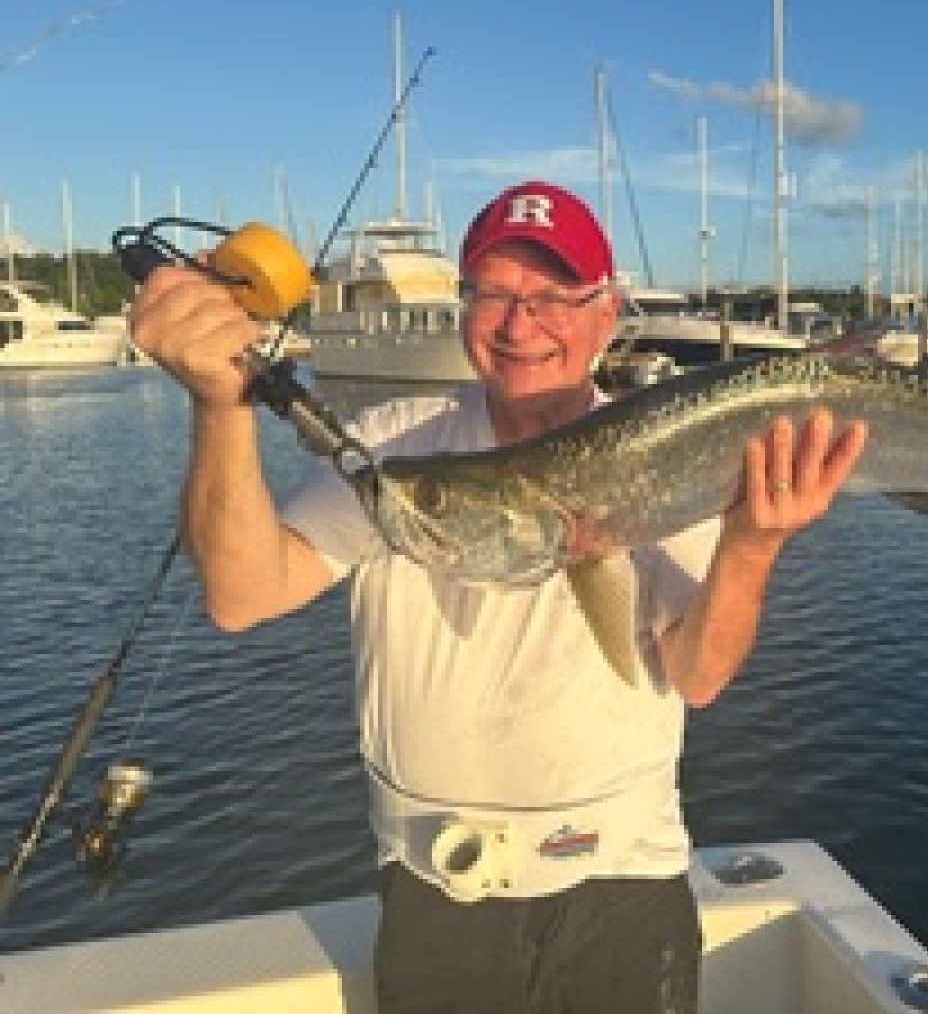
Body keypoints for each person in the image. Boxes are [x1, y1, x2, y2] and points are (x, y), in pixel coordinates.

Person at [129, 180, 867, 1014]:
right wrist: (221, 407)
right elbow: (240, 596)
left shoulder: (670, 449)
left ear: (606, 313)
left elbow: (697, 676)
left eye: (552, 297)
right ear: (464, 308)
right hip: (437, 888)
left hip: (625, 880)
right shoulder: (395, 452)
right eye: (493, 295)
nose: (521, 325)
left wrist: (753, 543)